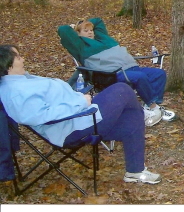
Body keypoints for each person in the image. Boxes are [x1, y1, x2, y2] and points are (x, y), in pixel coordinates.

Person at [0, 45, 161, 184]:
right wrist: (80, 102)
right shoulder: (16, 91)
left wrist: (78, 99)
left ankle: (135, 171)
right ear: (8, 65)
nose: (22, 59)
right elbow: (42, 115)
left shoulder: (21, 81)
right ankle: (148, 112)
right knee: (122, 90)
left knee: (132, 121)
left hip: (79, 116)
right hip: (71, 127)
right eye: (18, 57)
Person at [57, 17, 176, 127]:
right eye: (85, 30)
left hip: (132, 67)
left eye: (91, 30)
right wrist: (75, 27)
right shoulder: (80, 46)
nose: (90, 32)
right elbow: (63, 30)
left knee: (159, 74)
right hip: (113, 74)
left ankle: (152, 104)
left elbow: (98, 21)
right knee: (140, 77)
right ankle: (153, 107)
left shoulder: (103, 38)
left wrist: (85, 23)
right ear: (77, 34)